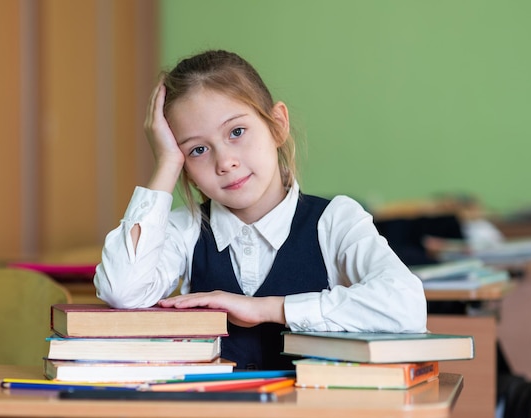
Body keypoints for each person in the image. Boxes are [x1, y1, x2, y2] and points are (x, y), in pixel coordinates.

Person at [94, 50, 427, 370]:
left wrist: (270, 308)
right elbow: (122, 290)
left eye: (237, 132)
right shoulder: (187, 228)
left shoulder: (336, 219)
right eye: (197, 150)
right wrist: (166, 163)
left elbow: (406, 307)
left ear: (278, 124)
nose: (225, 162)